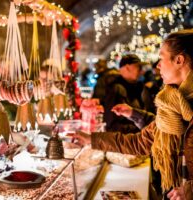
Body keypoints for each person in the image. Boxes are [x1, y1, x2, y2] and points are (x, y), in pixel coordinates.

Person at [73, 30, 193, 200]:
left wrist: (190, 190)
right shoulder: (170, 105)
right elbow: (138, 142)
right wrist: (91, 139)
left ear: (179, 60)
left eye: (162, 57)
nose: (157, 65)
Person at [103, 54, 145, 133]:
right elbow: (113, 125)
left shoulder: (137, 87)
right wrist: (141, 131)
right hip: (128, 141)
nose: (141, 71)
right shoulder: (117, 89)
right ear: (127, 68)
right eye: (138, 67)